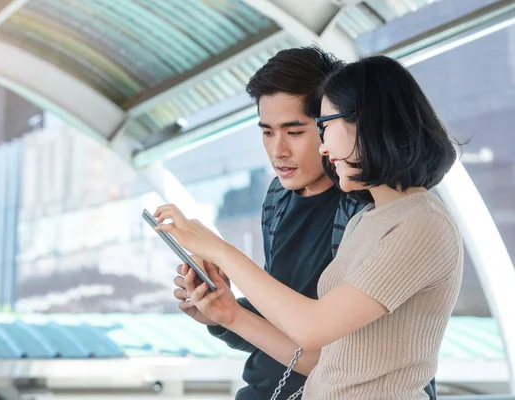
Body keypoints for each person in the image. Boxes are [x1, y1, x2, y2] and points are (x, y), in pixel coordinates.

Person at [158, 55, 463, 399]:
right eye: (268, 132)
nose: (322, 145)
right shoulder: (367, 217)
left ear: (365, 124)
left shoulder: (420, 224)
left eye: (322, 127)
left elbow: (311, 328)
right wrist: (229, 315)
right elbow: (327, 357)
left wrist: (220, 250)